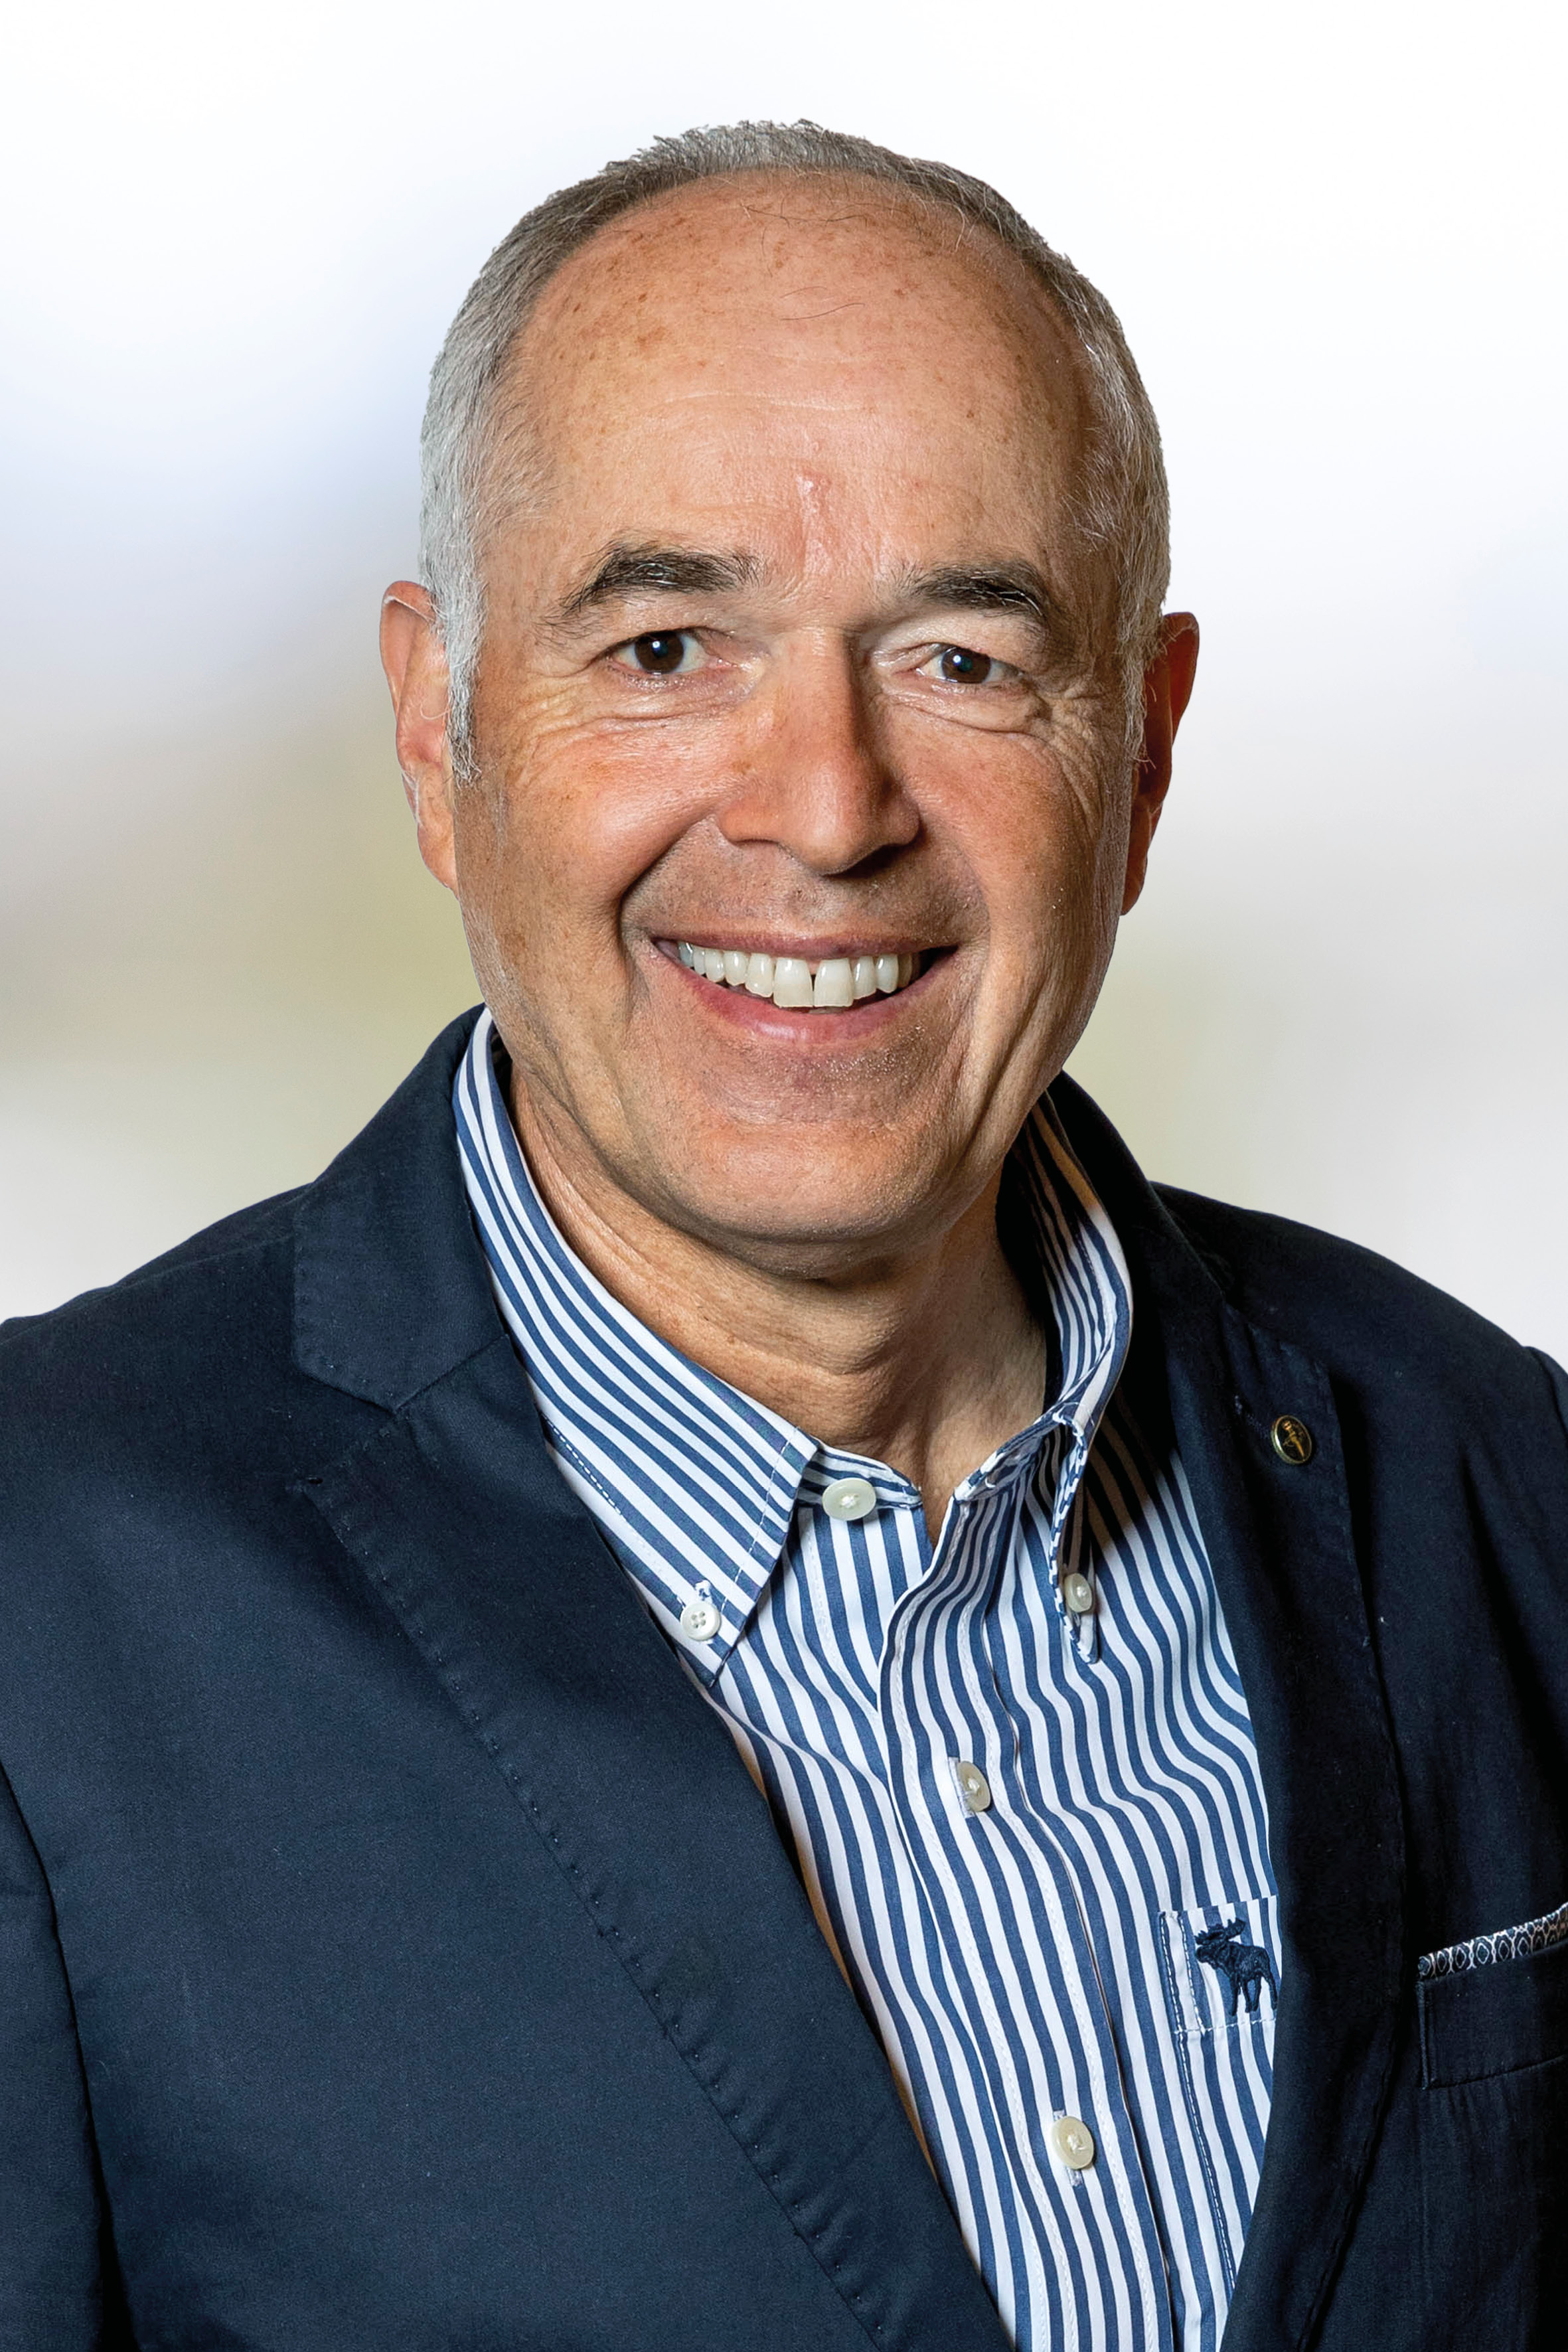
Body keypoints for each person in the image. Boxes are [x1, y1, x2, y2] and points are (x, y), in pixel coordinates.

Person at [1, 121, 1565, 2352]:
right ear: (439, 736)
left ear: (1138, 758)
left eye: (961, 658)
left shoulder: (1497, 1475)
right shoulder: (45, 1600)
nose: (825, 811)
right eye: (665, 645)